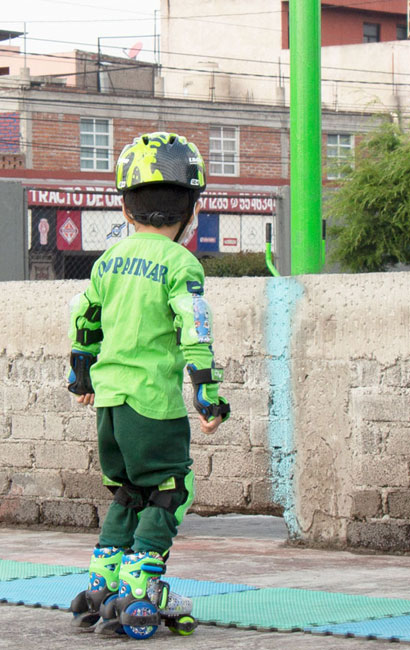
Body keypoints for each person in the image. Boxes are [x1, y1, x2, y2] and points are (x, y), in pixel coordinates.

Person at [67, 132, 231, 638]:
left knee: (127, 493)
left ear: (124, 207)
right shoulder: (182, 264)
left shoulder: (108, 261)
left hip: (109, 404)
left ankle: (102, 585)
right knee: (169, 490)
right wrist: (207, 393)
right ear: (193, 210)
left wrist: (81, 375)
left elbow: (85, 318)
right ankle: (141, 588)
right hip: (152, 405)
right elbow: (194, 328)